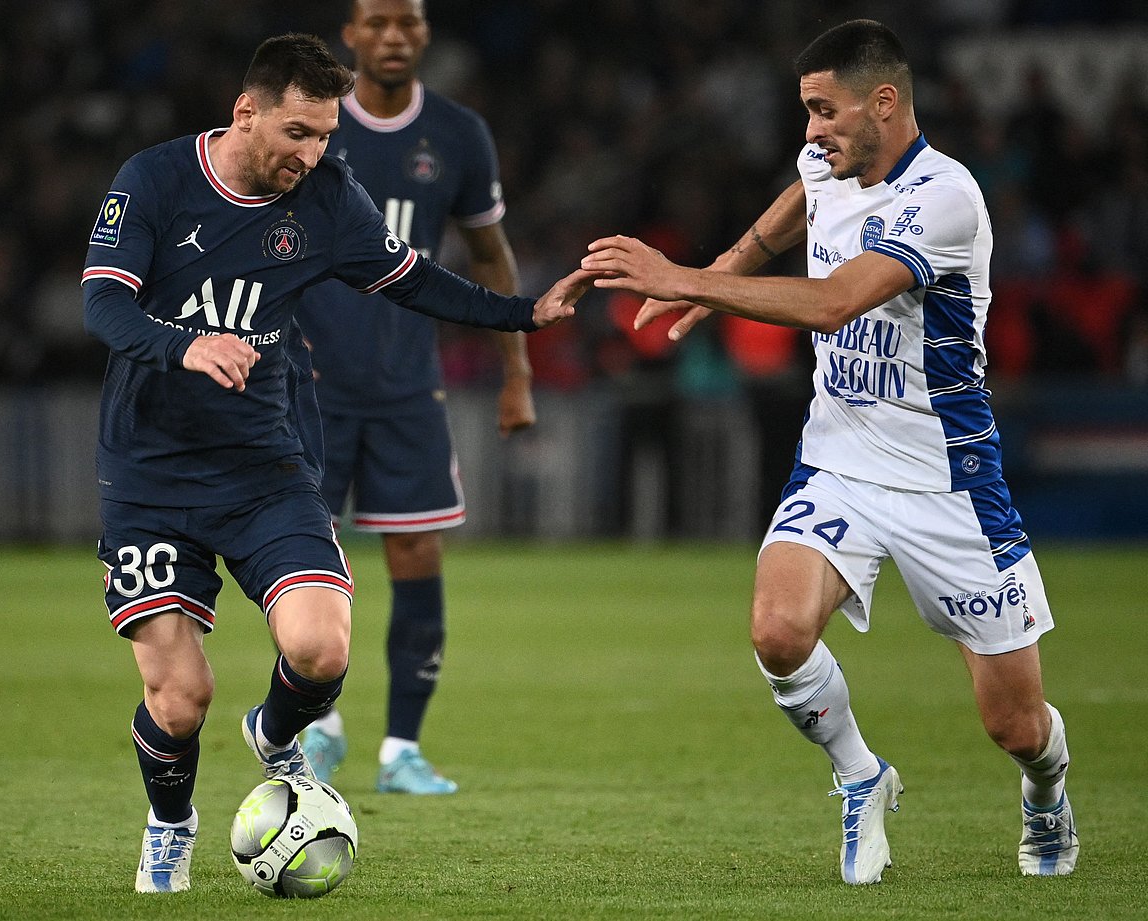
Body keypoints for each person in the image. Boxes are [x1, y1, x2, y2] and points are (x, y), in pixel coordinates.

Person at [81, 32, 589, 894]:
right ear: (247, 112)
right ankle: (171, 822)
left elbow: (414, 279)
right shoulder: (154, 180)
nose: (312, 154)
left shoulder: (323, 198)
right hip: (150, 478)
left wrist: (524, 315)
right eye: (297, 133)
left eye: (324, 136)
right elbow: (101, 302)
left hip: (263, 466)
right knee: (179, 699)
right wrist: (186, 345)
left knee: (318, 648)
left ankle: (277, 740)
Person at [583, 19, 1077, 884]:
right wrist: (730, 261)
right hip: (838, 458)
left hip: (947, 483)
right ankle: (861, 776)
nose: (809, 132)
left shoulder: (945, 198)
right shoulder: (828, 163)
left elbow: (834, 303)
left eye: (824, 111)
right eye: (805, 111)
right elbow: (796, 205)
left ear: (884, 103)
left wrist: (685, 278)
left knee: (1016, 725)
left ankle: (1047, 792)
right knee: (777, 630)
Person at [295, 0, 532, 796]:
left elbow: (489, 254)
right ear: (351, 34)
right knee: (298, 557)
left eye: (409, 22)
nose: (394, 36)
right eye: (379, 22)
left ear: (425, 35)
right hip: (310, 387)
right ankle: (316, 722)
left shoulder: (459, 134)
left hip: (406, 385)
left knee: (417, 553)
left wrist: (517, 372)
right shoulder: (316, 125)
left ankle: (402, 748)